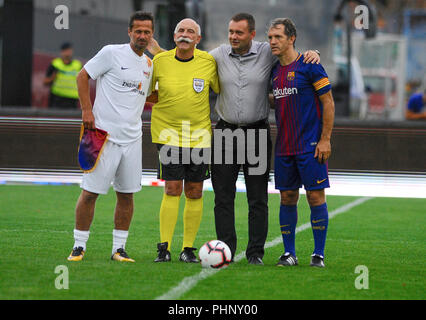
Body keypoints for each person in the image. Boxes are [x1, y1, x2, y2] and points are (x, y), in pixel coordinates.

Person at [209, 13, 320, 265]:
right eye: (231, 32)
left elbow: (293, 55)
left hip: (257, 134)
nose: (233, 37)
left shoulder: (267, 51)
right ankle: (225, 251)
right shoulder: (217, 55)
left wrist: (312, 53)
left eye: (239, 32)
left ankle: (255, 254)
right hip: (225, 133)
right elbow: (184, 59)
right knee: (223, 196)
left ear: (251, 34)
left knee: (257, 197)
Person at [67, 12, 154, 262]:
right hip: (102, 136)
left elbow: (145, 96)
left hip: (133, 139)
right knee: (90, 193)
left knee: (127, 195)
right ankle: (79, 246)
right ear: (129, 32)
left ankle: (118, 249)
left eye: (147, 32)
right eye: (138, 31)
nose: (142, 36)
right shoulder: (111, 53)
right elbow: (82, 75)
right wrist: (86, 110)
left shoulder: (149, 64)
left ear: (151, 35)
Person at [149, 18, 220, 263]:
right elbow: (147, 93)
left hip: (199, 137)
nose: (185, 34)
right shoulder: (159, 61)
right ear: (174, 34)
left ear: (198, 39)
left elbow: (222, 89)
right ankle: (164, 248)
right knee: (172, 189)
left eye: (191, 31)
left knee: (194, 191)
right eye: (181, 30)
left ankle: (187, 249)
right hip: (167, 135)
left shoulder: (208, 62)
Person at [268, 18, 335, 268]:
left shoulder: (310, 66)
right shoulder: (274, 71)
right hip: (284, 147)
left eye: (278, 37)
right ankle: (289, 254)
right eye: (270, 37)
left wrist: (325, 139)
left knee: (316, 198)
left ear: (291, 38)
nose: (273, 41)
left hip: (310, 146)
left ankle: (318, 254)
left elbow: (328, 102)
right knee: (286, 198)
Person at [44, 42, 82, 109]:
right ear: (61, 52)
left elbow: (84, 81)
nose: (67, 53)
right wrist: (53, 77)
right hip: (57, 99)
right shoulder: (55, 64)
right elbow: (45, 82)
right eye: (65, 51)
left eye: (69, 51)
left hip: (72, 100)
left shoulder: (78, 65)